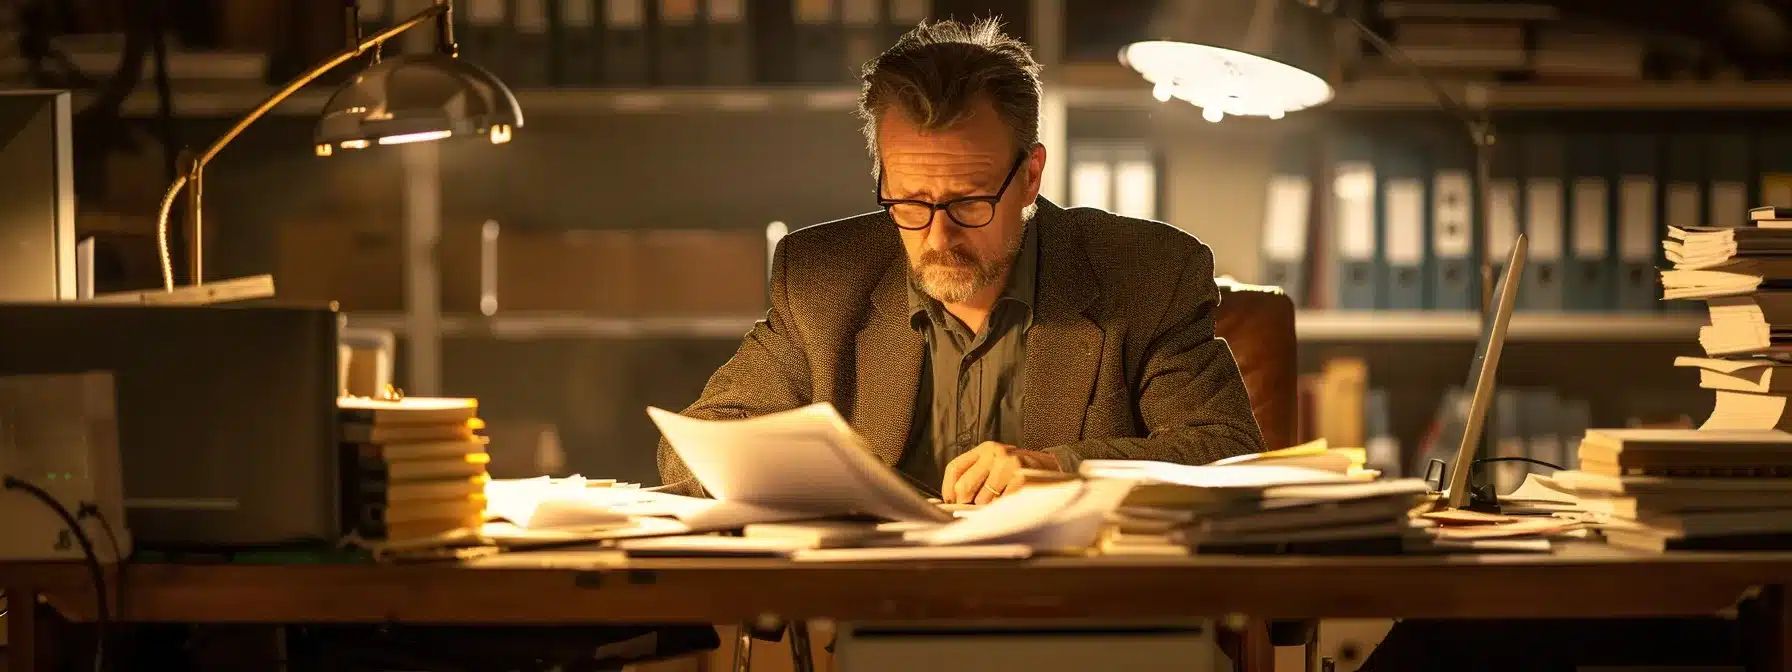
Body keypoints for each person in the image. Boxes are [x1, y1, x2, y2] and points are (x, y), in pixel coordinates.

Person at [656, 18, 1264, 502]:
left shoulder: (1147, 273)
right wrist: (811, 478)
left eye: (968, 201)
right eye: (910, 201)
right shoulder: (822, 278)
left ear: (1029, 176)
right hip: (878, 610)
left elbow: (1225, 452)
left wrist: (1065, 468)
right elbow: (693, 450)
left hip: (1077, 609)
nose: (938, 235)